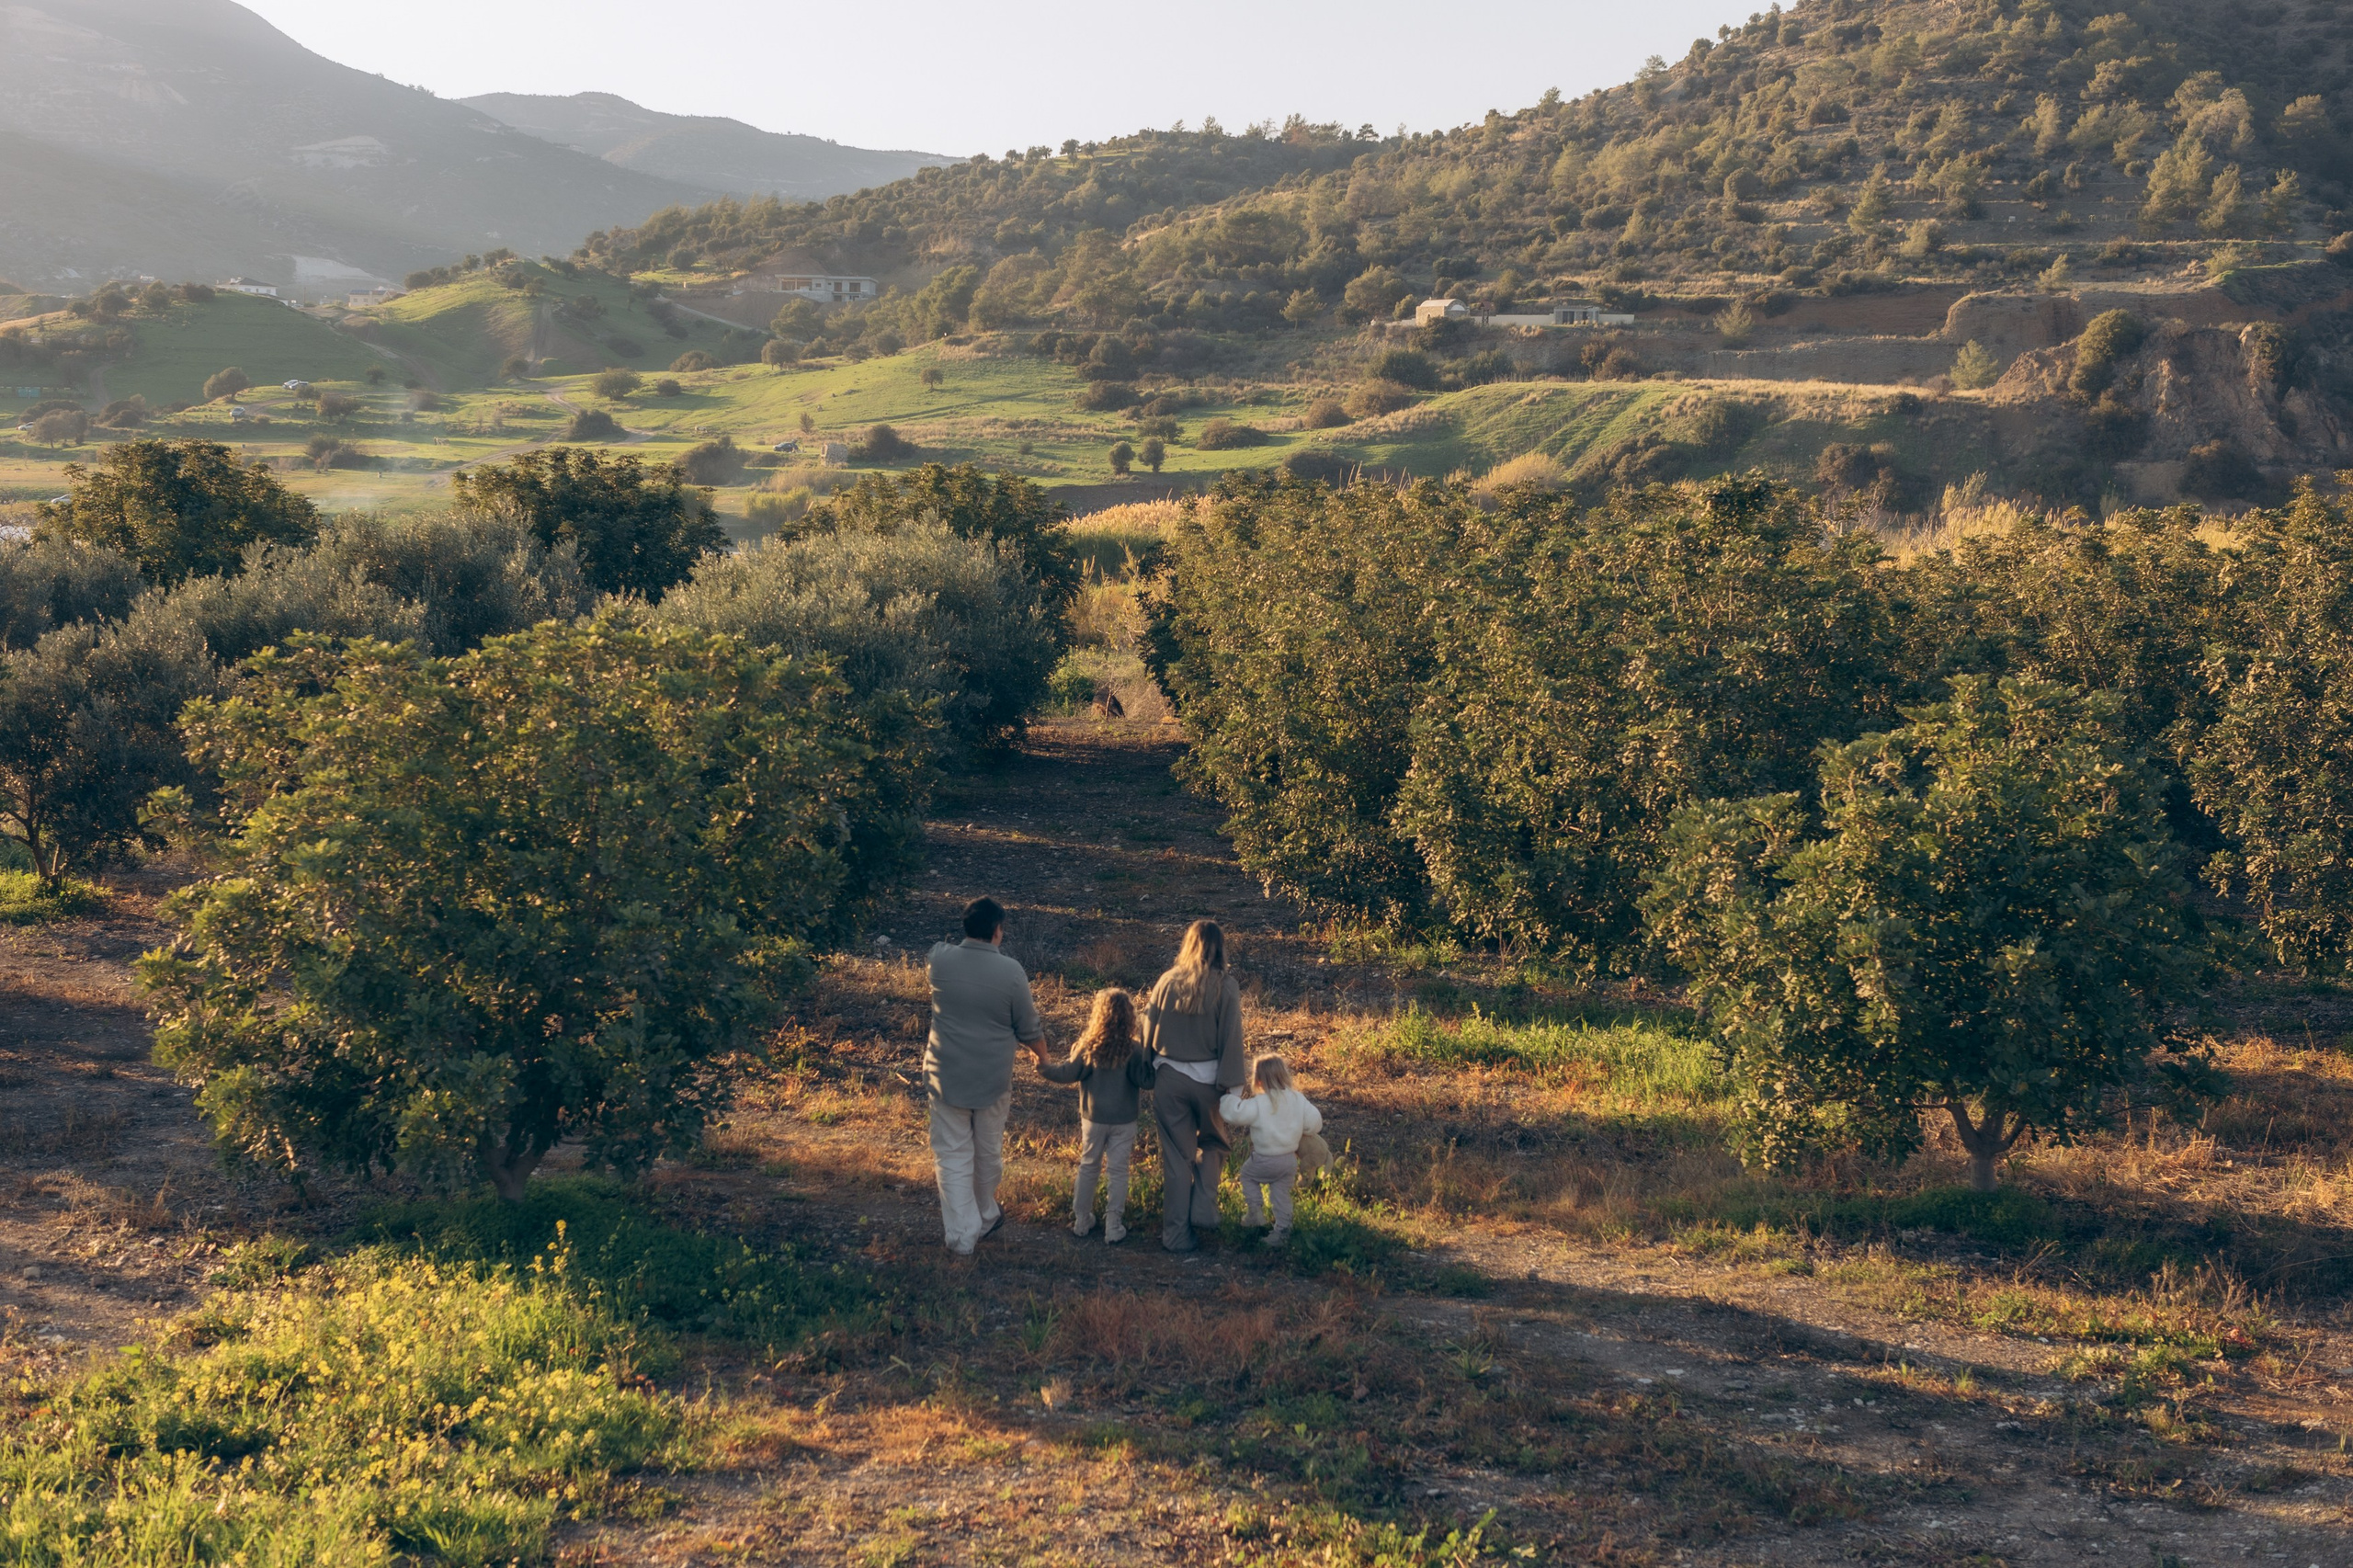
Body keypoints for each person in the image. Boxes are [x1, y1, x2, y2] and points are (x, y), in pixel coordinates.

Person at [924, 897, 1046, 1256]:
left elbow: (933, 951)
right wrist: (1043, 1057)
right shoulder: (1011, 972)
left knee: (952, 1155)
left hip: (944, 1074)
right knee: (987, 1153)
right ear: (997, 931)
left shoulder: (940, 960)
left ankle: (965, 1233)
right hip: (992, 1079)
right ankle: (984, 1215)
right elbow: (1028, 1027)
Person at [1141, 918, 1247, 1253]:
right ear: (1220, 947)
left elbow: (1147, 1030)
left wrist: (1147, 1072)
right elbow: (1231, 1038)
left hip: (1169, 1080)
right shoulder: (1225, 986)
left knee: (1177, 1158)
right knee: (1215, 1143)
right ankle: (1203, 1205)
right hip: (1209, 1083)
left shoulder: (1166, 982)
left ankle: (1175, 1235)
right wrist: (1233, 1088)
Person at [1037, 988, 1154, 1244]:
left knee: (1089, 1165)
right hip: (1124, 1119)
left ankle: (1082, 1219)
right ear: (1129, 1018)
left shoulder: (1089, 1046)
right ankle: (1113, 1224)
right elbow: (1146, 1081)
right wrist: (1152, 1054)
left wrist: (1043, 1067)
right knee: (1119, 1170)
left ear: (1098, 1015)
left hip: (1094, 1118)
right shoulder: (1133, 1050)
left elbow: (1068, 1073)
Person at [1219, 1054, 1322, 1245]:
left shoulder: (1259, 1103)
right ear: (1284, 1075)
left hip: (1264, 1159)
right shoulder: (1297, 1099)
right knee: (1280, 1195)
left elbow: (1235, 1114)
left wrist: (1228, 1098)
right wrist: (1303, 1128)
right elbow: (1314, 1122)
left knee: (1247, 1176)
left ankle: (1255, 1212)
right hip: (1289, 1161)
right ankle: (1282, 1231)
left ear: (1258, 1080)